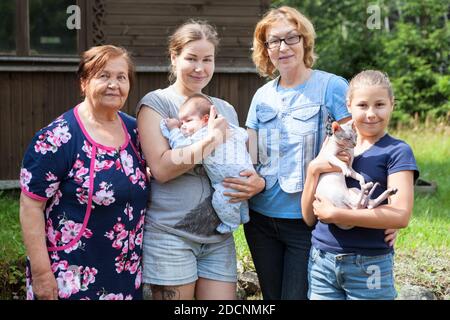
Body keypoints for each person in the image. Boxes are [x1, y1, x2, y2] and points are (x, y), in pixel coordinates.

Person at [243, 6, 397, 300]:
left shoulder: (331, 87)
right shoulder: (261, 96)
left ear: (305, 41)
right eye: (274, 41)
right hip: (261, 221)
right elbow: (249, 157)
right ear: (265, 49)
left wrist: (384, 213)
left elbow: (365, 149)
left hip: (308, 222)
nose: (283, 47)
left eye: (291, 38)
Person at [136, 20, 265, 300]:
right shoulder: (156, 105)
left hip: (218, 239)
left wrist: (257, 182)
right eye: (191, 58)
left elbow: (242, 159)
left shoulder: (224, 109)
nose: (200, 68)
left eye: (207, 59)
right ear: (174, 57)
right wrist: (209, 141)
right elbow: (162, 168)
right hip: (171, 235)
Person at [19, 45, 149, 300]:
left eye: (121, 77)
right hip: (70, 275)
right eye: (104, 76)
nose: (114, 84)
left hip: (125, 275)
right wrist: (42, 274)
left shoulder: (137, 132)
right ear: (84, 82)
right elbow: (30, 206)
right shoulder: (57, 137)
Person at [301, 70, 419, 300]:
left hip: (369, 264)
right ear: (349, 105)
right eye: (362, 105)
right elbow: (308, 217)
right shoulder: (334, 144)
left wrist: (337, 214)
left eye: (380, 105)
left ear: (392, 105)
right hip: (322, 260)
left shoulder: (397, 152)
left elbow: (400, 216)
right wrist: (313, 170)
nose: (371, 114)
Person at [160, 93, 255, 234]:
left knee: (221, 200)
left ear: (205, 119)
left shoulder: (202, 134)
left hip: (228, 180)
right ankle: (243, 215)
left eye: (188, 121)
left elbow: (181, 149)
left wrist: (173, 129)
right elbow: (244, 134)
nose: (183, 127)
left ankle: (231, 224)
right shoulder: (229, 127)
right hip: (246, 172)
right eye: (181, 123)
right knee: (238, 198)